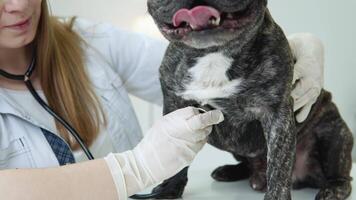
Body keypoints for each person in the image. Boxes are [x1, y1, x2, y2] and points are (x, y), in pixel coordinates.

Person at [0, 0, 324, 199]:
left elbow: (201, 73)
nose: (18, 4)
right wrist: (132, 169)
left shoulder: (86, 40)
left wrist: (293, 47)